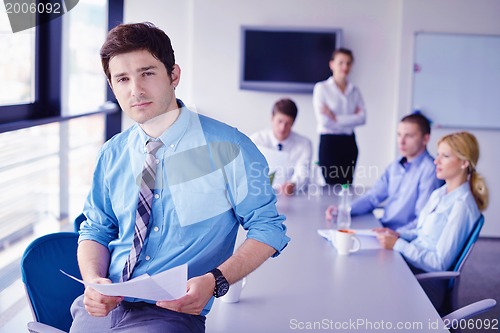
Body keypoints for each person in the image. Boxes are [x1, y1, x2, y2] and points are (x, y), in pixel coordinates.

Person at [69, 22, 290, 333]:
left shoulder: (231, 149)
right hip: (102, 307)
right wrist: (93, 280)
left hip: (169, 314)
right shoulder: (112, 154)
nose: (136, 90)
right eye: (122, 79)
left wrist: (216, 281)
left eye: (147, 73)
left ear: (173, 75)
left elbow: (268, 228)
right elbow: (96, 228)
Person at [375, 131, 489, 273]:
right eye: (438, 155)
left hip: (422, 275)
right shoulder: (439, 193)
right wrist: (398, 235)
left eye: (445, 156)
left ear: (464, 163)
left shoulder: (462, 206)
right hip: (411, 262)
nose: (436, 161)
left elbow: (438, 263)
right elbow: (423, 234)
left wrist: (398, 244)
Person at [325, 113, 443, 232]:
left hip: (401, 237)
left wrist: (395, 235)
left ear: (425, 139)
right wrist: (345, 210)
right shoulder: (395, 165)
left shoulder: (430, 170)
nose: (401, 141)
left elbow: (422, 220)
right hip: (384, 229)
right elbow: (373, 197)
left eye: (409, 136)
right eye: (399, 135)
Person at [313, 48, 366, 185]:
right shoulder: (322, 88)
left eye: (348, 63)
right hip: (329, 143)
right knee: (331, 186)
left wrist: (335, 117)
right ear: (332, 64)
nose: (345, 67)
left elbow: (362, 118)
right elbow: (324, 121)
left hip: (349, 143)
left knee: (347, 184)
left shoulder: (354, 90)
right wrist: (351, 118)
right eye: (341, 62)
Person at [250, 98, 312, 196]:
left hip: (289, 198)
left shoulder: (304, 144)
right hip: (258, 195)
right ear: (272, 118)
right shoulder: (256, 140)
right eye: (280, 121)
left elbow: (303, 172)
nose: (282, 128)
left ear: (293, 123)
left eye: (288, 123)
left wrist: (293, 185)